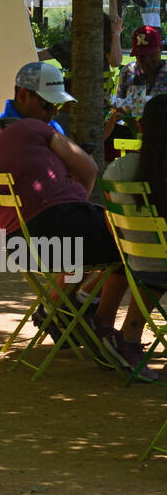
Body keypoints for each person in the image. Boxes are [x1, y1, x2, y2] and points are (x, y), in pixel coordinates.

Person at [0, 110, 124, 363]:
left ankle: (66, 307)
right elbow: (90, 168)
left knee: (87, 249)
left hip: (27, 253)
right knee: (130, 241)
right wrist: (75, 196)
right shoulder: (28, 128)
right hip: (66, 230)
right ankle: (106, 328)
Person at [100, 94, 167, 373]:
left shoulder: (118, 169)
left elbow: (110, 223)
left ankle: (126, 336)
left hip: (135, 263)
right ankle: (128, 337)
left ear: (141, 127)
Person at [105, 25, 167, 142]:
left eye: (152, 55)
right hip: (130, 133)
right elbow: (118, 104)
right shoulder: (128, 71)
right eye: (142, 56)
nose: (147, 60)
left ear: (161, 49)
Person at [0, 61, 70, 135]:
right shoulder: (2, 132)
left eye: (58, 105)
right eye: (47, 105)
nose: (55, 112)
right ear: (23, 95)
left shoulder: (54, 127)